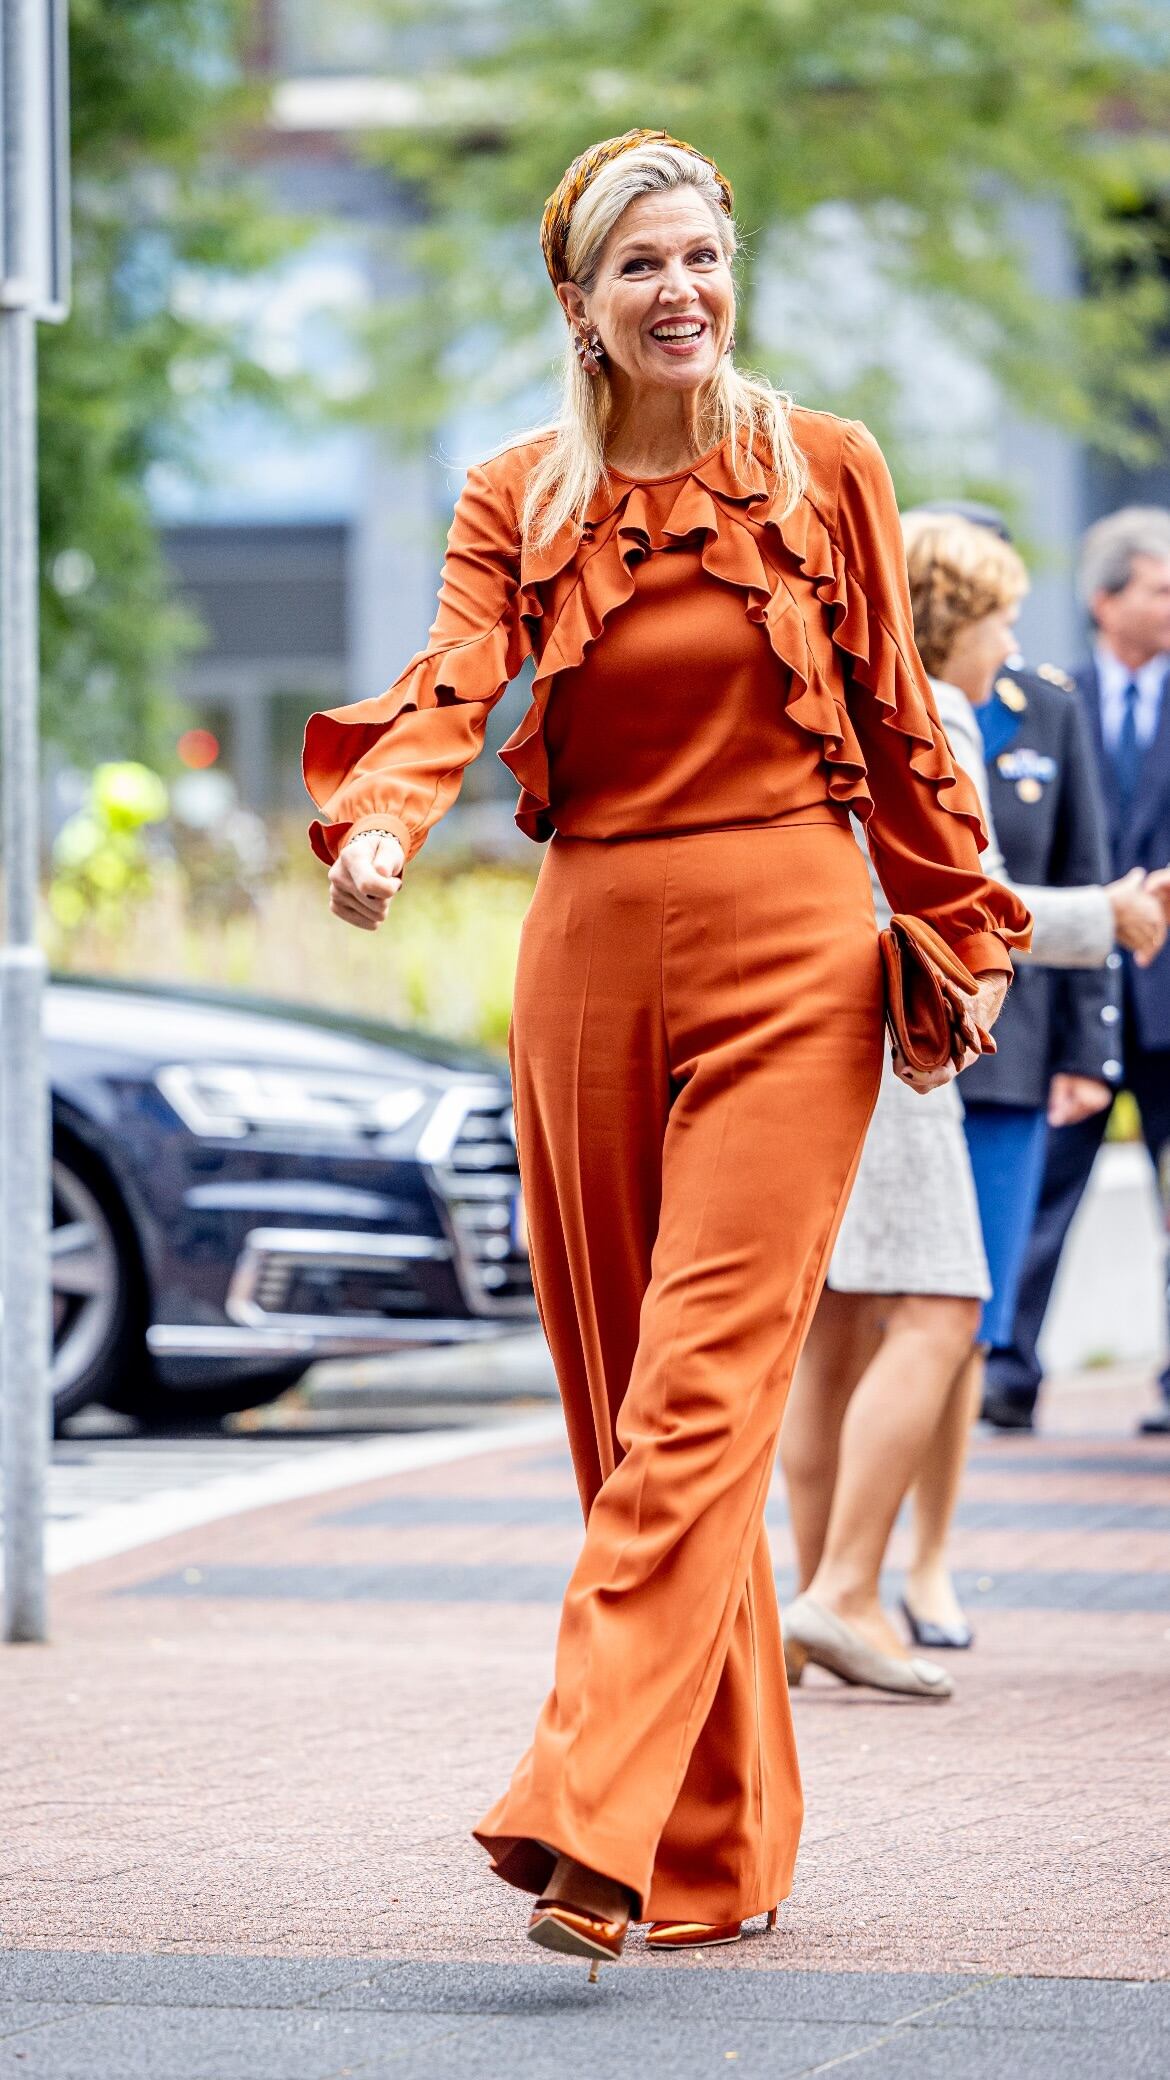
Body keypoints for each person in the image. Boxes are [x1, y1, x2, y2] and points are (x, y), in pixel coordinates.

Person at [302, 130, 1027, 1970]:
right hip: (589, 958)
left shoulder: (825, 467)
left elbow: (898, 723)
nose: (679, 289)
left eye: (701, 255)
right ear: (581, 303)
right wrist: (382, 817)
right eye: (639, 266)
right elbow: (452, 682)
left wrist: (962, 925)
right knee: (625, 1407)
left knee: (698, 1403)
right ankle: (719, 1841)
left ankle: (586, 1811)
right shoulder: (515, 493)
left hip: (795, 952)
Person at [780, 512, 1168, 1691]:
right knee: (948, 1309)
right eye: (1000, 619)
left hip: (821, 1041)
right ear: (949, 620)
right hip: (901, 1056)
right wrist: (1112, 916)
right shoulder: (934, 712)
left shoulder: (831, 700)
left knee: (833, 1332)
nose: (1011, 645)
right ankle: (846, 1592)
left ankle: (809, 1600)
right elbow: (964, 898)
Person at [986, 507, 1170, 1435]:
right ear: (1105, 600)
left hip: (1169, 992)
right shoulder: (1049, 701)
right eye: (1159, 589)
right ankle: (1007, 1372)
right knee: (1041, 1196)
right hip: (1070, 997)